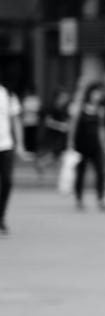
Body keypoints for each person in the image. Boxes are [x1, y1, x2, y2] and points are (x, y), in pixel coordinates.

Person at [68, 82, 105, 212]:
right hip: (81, 145)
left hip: (95, 145)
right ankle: (79, 199)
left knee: (100, 172)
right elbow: (73, 126)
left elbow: (101, 129)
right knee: (81, 173)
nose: (98, 96)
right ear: (90, 93)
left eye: (100, 93)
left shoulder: (101, 110)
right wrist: (70, 143)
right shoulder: (79, 108)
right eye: (96, 93)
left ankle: (101, 199)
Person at [0, 75, 29, 235]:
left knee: (7, 181)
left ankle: (1, 216)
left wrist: (20, 144)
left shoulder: (8, 95)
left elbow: (15, 121)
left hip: (5, 145)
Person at [43, 89, 73, 167]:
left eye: (66, 97)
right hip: (53, 135)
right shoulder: (52, 107)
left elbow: (68, 122)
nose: (65, 99)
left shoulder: (65, 109)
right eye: (63, 97)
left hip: (62, 136)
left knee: (59, 154)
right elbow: (48, 122)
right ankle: (41, 163)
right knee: (55, 153)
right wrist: (60, 126)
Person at [20, 86, 42, 176]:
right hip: (27, 121)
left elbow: (37, 108)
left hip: (33, 121)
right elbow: (23, 109)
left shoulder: (35, 99)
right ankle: (28, 151)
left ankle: (32, 151)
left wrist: (30, 109)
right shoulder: (27, 99)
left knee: (32, 137)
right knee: (27, 136)